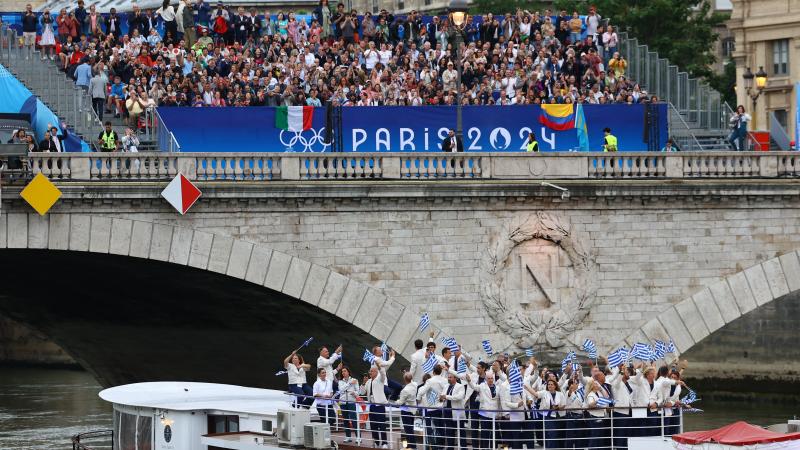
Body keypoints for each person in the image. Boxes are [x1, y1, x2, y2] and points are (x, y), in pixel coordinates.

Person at [363, 364, 389, 448]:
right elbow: (362, 392)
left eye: (372, 371)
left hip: (380, 405)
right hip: (372, 405)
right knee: (373, 425)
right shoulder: (368, 381)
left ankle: (384, 443)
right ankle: (376, 442)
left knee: (382, 425)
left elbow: (383, 374)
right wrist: (363, 384)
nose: (370, 372)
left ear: (376, 372)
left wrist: (380, 367)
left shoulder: (380, 379)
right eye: (369, 371)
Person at [394, 372, 418, 449]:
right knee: (410, 429)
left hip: (406, 411)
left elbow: (400, 402)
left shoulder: (405, 390)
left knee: (408, 430)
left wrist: (394, 402)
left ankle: (413, 447)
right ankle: (409, 446)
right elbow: (412, 381)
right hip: (413, 410)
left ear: (404, 379)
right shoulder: (415, 385)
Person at [337, 367, 360, 443]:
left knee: (354, 419)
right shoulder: (340, 381)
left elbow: (358, 391)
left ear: (348, 372)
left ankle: (358, 437)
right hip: (343, 402)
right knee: (345, 420)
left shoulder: (354, 380)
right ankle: (348, 437)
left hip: (351, 401)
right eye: (342, 371)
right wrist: (349, 383)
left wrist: (355, 393)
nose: (343, 372)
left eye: (345, 371)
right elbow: (341, 390)